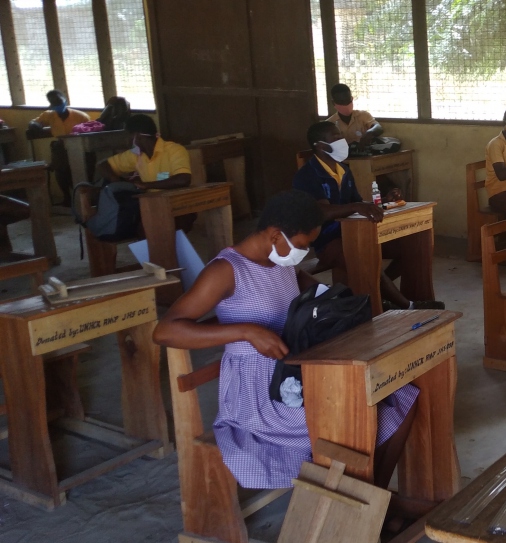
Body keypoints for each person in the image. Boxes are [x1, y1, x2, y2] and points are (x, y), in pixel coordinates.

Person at [153, 190, 419, 489]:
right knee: (353, 417)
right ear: (276, 235)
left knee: (399, 396)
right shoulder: (226, 270)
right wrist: (245, 330)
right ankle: (361, 501)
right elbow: (166, 331)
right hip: (259, 393)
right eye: (302, 245)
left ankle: (371, 501)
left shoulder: (282, 263)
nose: (304, 253)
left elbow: (314, 297)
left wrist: (337, 307)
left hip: (293, 371)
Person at [293, 121, 443, 310]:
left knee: (410, 247)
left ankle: (382, 290)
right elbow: (321, 212)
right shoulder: (307, 175)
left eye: (341, 136)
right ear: (321, 146)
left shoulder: (344, 170)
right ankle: (407, 305)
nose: (342, 141)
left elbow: (358, 203)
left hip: (355, 231)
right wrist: (357, 206)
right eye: (336, 138)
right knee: (365, 257)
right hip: (327, 240)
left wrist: (384, 201)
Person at [27, 90, 91, 206]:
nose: (57, 105)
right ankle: (67, 197)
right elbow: (34, 122)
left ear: (65, 101)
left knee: (81, 166)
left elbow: (89, 131)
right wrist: (35, 125)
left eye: (59, 102)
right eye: (53, 103)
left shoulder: (81, 116)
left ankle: (83, 197)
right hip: (61, 146)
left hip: (79, 146)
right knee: (60, 168)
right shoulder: (49, 115)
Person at [95, 114, 191, 190]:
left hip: (175, 204)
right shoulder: (136, 155)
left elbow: (183, 179)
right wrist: (115, 180)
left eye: (129, 136)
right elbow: (102, 165)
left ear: (138, 136)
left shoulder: (175, 150)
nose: (127, 141)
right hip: (149, 204)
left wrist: (146, 185)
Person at [326, 83, 383, 148]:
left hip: (364, 155)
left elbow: (378, 127)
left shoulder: (363, 115)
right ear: (333, 103)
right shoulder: (330, 124)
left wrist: (370, 133)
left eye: (348, 101)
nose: (345, 104)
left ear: (352, 98)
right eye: (341, 102)